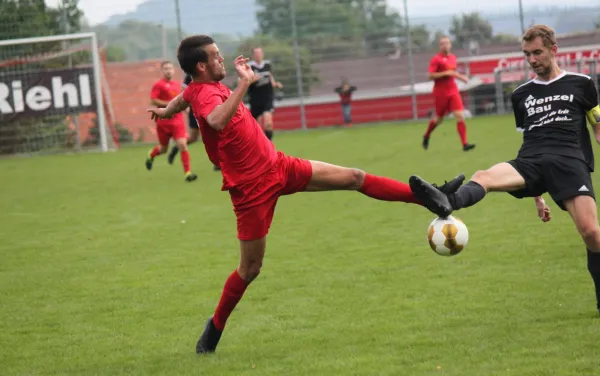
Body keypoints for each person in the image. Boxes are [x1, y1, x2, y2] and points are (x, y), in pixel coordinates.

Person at [147, 35, 463, 354]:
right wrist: (244, 84)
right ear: (201, 66)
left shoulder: (194, 89)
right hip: (251, 191)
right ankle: (214, 327)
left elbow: (181, 100)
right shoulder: (204, 94)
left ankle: (431, 196)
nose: (222, 59)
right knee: (250, 269)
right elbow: (214, 120)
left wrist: (164, 112)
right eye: (215, 56)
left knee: (354, 177)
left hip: (279, 166)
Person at [409, 24, 600, 314]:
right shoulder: (521, 95)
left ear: (553, 50)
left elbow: (598, 128)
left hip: (569, 160)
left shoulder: (582, 83)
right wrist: (536, 194)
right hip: (531, 161)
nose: (532, 60)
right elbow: (527, 139)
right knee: (483, 176)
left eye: (537, 53)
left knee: (591, 233)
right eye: (527, 54)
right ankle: (447, 200)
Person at [146, 61, 197, 182]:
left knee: (182, 144)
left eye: (170, 68)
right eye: (166, 69)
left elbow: (180, 100)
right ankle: (151, 155)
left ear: (173, 70)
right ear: (162, 71)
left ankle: (188, 173)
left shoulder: (177, 84)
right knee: (163, 149)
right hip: (163, 122)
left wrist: (185, 108)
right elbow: (153, 101)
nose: (168, 71)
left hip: (177, 121)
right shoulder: (158, 85)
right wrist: (170, 104)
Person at [422, 35, 476, 152]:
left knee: (460, 116)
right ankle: (426, 135)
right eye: (442, 43)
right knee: (438, 119)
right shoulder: (436, 59)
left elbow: (452, 72)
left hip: (453, 91)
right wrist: (444, 73)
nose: (445, 45)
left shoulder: (453, 58)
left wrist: (461, 77)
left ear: (450, 45)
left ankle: (465, 144)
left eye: (447, 43)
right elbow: (430, 75)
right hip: (440, 93)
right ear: (439, 46)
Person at [168, 74, 221, 171]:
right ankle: (177, 147)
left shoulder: (210, 70)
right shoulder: (190, 74)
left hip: (209, 107)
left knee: (213, 135)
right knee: (194, 138)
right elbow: (183, 92)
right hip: (195, 110)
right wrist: (186, 106)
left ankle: (217, 163)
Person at [247, 47, 282, 141]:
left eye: (259, 53)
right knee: (256, 127)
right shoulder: (249, 67)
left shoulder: (267, 64)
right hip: (255, 99)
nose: (258, 55)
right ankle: (260, 146)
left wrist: (275, 84)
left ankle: (269, 145)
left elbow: (270, 76)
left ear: (262, 54)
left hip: (267, 98)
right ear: (253, 55)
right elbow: (243, 82)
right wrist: (253, 80)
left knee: (268, 123)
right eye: (256, 53)